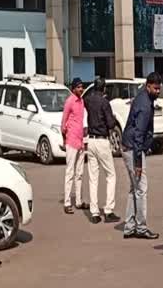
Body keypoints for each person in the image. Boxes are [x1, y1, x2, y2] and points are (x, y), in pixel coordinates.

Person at [120, 72, 162, 240]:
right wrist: (138, 162)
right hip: (132, 149)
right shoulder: (145, 105)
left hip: (130, 147)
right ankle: (141, 227)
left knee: (134, 189)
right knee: (141, 189)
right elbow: (139, 135)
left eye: (159, 88)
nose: (157, 91)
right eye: (155, 88)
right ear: (148, 86)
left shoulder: (144, 98)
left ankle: (130, 226)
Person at [84, 77, 120, 224]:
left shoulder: (89, 100)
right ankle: (108, 210)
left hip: (90, 141)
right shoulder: (105, 102)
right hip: (102, 141)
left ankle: (94, 213)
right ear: (104, 88)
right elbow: (111, 124)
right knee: (111, 175)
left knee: (93, 178)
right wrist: (113, 118)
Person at [61, 77, 88, 215]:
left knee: (80, 173)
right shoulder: (70, 101)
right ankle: (67, 202)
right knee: (70, 172)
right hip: (71, 141)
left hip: (80, 141)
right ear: (73, 89)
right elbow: (63, 123)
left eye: (82, 87)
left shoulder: (82, 101)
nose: (81, 89)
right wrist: (65, 139)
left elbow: (82, 122)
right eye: (78, 87)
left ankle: (78, 200)